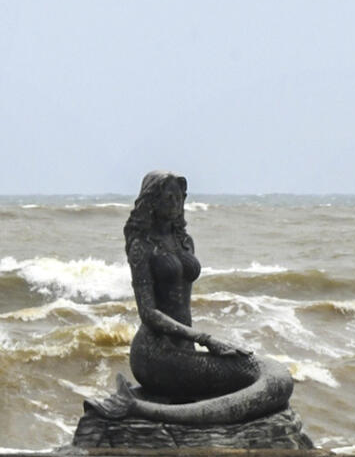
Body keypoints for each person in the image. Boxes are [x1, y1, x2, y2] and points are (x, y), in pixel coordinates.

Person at [108, 171, 292, 424]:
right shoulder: (141, 247)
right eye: (168, 197)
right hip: (154, 354)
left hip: (186, 348)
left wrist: (198, 342)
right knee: (271, 380)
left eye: (179, 197)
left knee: (273, 377)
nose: (175, 202)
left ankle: (142, 407)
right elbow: (148, 313)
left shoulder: (184, 241)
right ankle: (139, 409)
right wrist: (206, 339)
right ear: (151, 202)